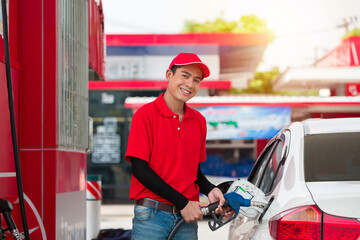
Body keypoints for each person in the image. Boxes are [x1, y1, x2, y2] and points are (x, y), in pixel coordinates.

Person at [125, 53, 227, 240]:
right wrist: (183, 203)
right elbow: (140, 170)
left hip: (187, 219)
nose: (190, 84)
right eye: (185, 76)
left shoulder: (199, 121)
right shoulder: (144, 115)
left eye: (197, 80)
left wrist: (210, 189)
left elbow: (192, 171)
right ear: (169, 75)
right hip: (151, 216)